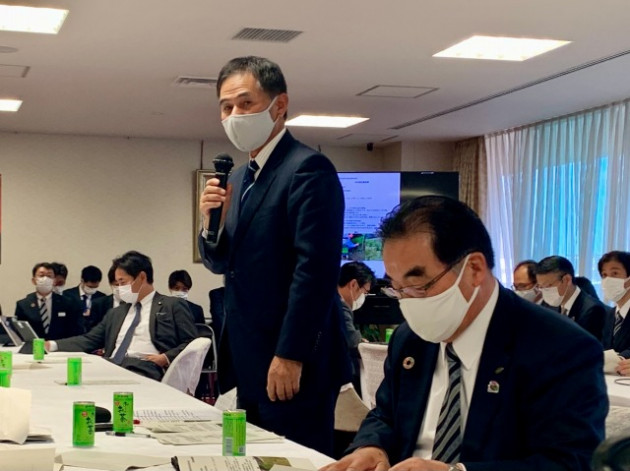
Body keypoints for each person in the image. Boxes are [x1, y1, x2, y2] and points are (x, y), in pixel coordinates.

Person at [324, 196, 607, 471]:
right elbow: (386, 414)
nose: (406, 302)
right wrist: (372, 446)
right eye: (396, 288)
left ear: (474, 269)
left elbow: (569, 462)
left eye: (418, 286)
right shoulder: (410, 339)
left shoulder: (560, 348)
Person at [198, 56, 349, 455]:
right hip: (247, 353)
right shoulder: (238, 177)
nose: (234, 115)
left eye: (245, 103)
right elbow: (222, 264)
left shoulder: (307, 169)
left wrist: (290, 354)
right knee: (252, 456)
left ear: (279, 105)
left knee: (292, 458)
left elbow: (314, 272)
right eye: (226, 107)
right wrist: (210, 224)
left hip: (292, 357)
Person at [47, 251, 198, 380]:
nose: (119, 288)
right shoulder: (117, 313)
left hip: (144, 366)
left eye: (122, 282)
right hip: (111, 364)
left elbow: (192, 342)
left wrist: (165, 357)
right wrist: (52, 345)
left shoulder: (171, 305)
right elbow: (89, 340)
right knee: (67, 377)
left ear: (142, 277)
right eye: (117, 284)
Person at [536, 255, 610, 345]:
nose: (544, 291)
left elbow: (583, 347)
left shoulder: (592, 309)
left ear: (567, 280)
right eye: (540, 287)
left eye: (548, 286)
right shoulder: (547, 305)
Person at [15, 262, 82, 339]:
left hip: (60, 345)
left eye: (49, 276)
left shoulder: (68, 303)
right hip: (34, 345)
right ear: (33, 280)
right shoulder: (23, 305)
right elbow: (20, 332)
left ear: (54, 281)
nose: (45, 279)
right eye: (41, 275)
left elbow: (75, 331)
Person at [338, 261, 376, 392]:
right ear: (353, 284)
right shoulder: (340, 306)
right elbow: (351, 340)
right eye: (365, 292)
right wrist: (361, 341)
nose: (364, 297)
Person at [598, 251, 630, 374]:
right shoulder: (609, 314)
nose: (608, 280)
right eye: (604, 275)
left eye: (615, 273)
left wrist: (619, 359)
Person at [63, 265, 106, 331]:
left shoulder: (102, 298)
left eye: (95, 287)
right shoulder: (67, 295)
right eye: (90, 287)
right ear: (82, 281)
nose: (92, 289)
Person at [90, 264, 123, 329]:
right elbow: (92, 330)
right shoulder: (99, 304)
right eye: (117, 285)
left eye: (124, 284)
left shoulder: (137, 304)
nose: (121, 288)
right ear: (111, 284)